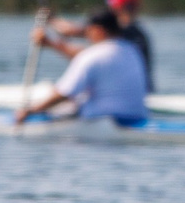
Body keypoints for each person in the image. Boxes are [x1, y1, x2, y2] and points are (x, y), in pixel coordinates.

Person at [15, 10, 150, 126]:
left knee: (58, 106)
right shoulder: (133, 50)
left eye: (89, 30)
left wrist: (31, 110)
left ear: (99, 30)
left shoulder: (91, 55)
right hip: (139, 117)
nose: (87, 35)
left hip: (104, 122)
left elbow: (64, 93)